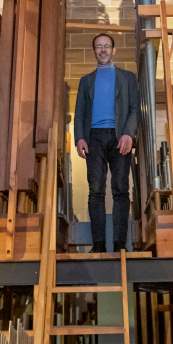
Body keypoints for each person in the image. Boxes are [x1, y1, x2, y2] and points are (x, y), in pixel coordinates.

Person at [74, 33, 140, 253]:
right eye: (98, 46)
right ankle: (99, 244)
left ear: (114, 50)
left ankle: (120, 243)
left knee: (121, 189)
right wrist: (80, 137)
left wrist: (128, 134)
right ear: (94, 51)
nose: (103, 50)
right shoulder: (85, 81)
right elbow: (80, 113)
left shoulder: (128, 78)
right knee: (96, 191)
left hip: (119, 135)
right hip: (94, 137)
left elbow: (134, 109)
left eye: (106, 46)